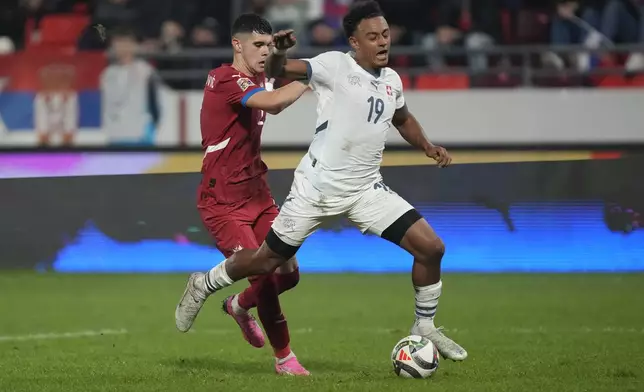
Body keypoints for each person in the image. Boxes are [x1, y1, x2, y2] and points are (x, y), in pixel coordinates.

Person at [176, 0, 468, 364]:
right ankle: (207, 286)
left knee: (431, 248)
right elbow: (283, 75)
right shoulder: (332, 64)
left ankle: (424, 325)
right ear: (354, 42)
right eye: (372, 36)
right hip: (315, 190)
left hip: (365, 190)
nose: (382, 42)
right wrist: (288, 60)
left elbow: (402, 118)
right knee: (265, 264)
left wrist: (427, 145)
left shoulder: (391, 80)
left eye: (386, 35)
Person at [174, 14, 311, 376]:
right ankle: (284, 358)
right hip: (223, 201)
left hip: (257, 194)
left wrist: (283, 57)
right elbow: (277, 102)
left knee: (290, 274)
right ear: (237, 44)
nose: (265, 52)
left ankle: (236, 305)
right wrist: (314, 77)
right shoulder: (225, 79)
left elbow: (277, 80)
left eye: (268, 46)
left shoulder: (257, 77)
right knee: (264, 277)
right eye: (258, 46)